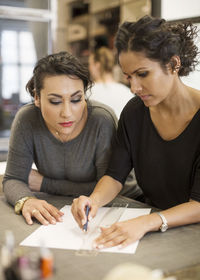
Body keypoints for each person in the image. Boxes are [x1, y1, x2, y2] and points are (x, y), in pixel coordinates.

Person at [71, 15, 200, 249]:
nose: (134, 88)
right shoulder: (135, 111)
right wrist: (94, 200)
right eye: (129, 77)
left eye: (142, 74)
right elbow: (115, 175)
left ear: (173, 64)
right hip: (154, 229)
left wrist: (147, 222)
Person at [3, 51, 118, 226]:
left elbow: (107, 187)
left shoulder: (101, 120)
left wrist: (44, 184)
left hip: (115, 209)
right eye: (55, 101)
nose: (67, 113)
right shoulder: (27, 119)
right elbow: (13, 179)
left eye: (76, 99)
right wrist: (26, 200)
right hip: (60, 213)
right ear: (37, 97)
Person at [88, 47, 133, 119]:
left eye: (90, 64)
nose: (89, 68)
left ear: (97, 65)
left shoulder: (87, 92)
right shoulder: (128, 92)